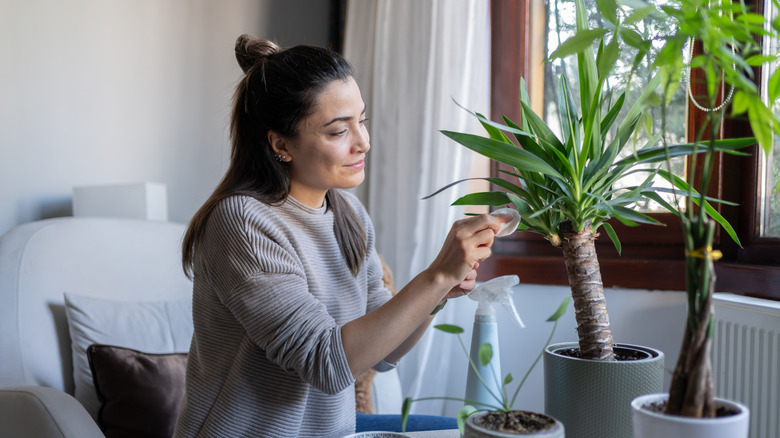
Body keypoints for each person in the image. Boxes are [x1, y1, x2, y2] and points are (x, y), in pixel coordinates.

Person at [173, 34, 509, 438]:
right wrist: (435, 276)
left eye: (361, 121)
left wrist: (442, 289)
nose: (363, 142)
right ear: (281, 144)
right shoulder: (242, 222)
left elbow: (385, 354)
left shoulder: (347, 213)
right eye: (338, 132)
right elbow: (327, 365)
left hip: (334, 432)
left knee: (481, 432)